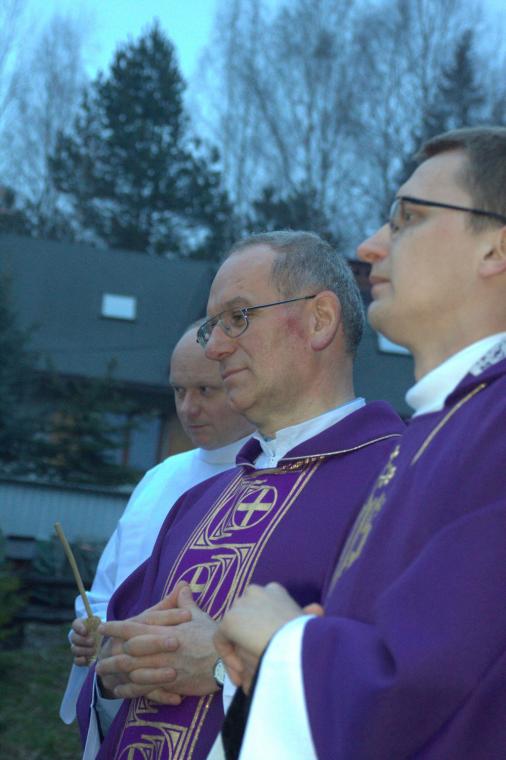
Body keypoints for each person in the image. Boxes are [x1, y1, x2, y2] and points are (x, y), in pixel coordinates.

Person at [215, 126, 506, 759]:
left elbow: (444, 690)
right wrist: (272, 666)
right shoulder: (440, 424)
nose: (370, 246)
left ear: (495, 247)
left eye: (408, 218)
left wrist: (287, 646)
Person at [76, 230, 404, 759]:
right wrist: (118, 671)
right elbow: (113, 663)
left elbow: (415, 688)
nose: (215, 347)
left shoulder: (401, 482)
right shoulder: (197, 501)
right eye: (213, 326)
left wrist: (222, 663)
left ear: (320, 320)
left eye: (238, 317)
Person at [60, 322, 255, 724]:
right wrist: (92, 633)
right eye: (179, 391)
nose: (188, 408)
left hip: (210, 707)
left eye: (205, 390)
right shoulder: (159, 477)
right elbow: (107, 593)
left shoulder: (269, 480)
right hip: (125, 699)